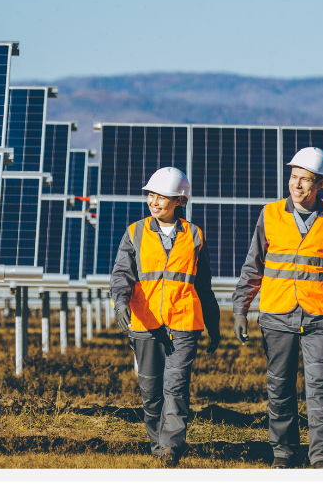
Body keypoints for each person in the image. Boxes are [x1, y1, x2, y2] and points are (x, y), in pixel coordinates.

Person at [231, 147, 323, 470]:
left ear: (322, 183)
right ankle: (284, 454)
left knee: (320, 387)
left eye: (306, 180)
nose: (297, 185)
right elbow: (254, 266)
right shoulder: (271, 214)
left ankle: (322, 458)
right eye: (293, 177)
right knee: (279, 387)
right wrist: (240, 308)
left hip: (320, 316)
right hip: (277, 314)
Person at [109, 166, 220, 464]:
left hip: (184, 323)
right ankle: (157, 443)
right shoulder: (134, 232)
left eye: (162, 196)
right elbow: (121, 275)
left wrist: (213, 323)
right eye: (151, 195)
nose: (154, 201)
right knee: (150, 389)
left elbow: (203, 283)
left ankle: (170, 449)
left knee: (176, 386)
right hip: (145, 323)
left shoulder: (194, 235)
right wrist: (120, 303)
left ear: (179, 201)